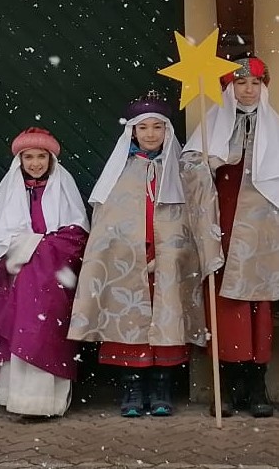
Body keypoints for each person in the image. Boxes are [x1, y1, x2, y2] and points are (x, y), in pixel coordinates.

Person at [69, 93, 206, 417]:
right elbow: (108, 222)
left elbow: (189, 219)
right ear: (132, 131)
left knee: (166, 321)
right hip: (129, 261)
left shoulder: (179, 171)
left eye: (157, 127)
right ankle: (132, 385)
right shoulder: (120, 172)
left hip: (168, 260)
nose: (150, 134)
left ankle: (161, 386)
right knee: (130, 323)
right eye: (143, 127)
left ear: (167, 131)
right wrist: (129, 251)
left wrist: (171, 251)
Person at [0, 127, 89, 417]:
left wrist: (38, 246)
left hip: (51, 279)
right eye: (28, 157)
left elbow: (77, 233)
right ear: (19, 159)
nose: (35, 163)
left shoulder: (63, 186)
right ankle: (20, 400)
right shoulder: (10, 191)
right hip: (17, 278)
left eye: (41, 156)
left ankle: (47, 402)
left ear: (50, 159)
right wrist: (26, 249)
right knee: (20, 332)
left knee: (45, 335)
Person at [181, 56, 279, 418]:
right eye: (240, 83)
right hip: (222, 225)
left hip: (262, 235)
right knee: (226, 308)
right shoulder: (212, 126)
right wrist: (206, 164)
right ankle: (227, 386)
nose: (248, 90)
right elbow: (189, 167)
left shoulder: (275, 128)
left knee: (259, 308)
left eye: (255, 83)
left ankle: (257, 386)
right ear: (229, 88)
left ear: (263, 87)